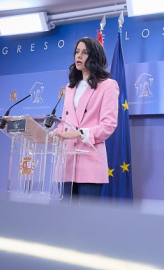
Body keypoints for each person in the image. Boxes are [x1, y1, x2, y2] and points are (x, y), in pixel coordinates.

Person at [55, 37, 119, 199]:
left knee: (86, 220)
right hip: (67, 161)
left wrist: (78, 133)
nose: (79, 56)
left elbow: (108, 125)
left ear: (94, 56)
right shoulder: (70, 88)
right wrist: (51, 134)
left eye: (84, 52)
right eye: (77, 52)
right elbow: (65, 124)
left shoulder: (108, 85)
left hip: (90, 161)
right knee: (65, 218)